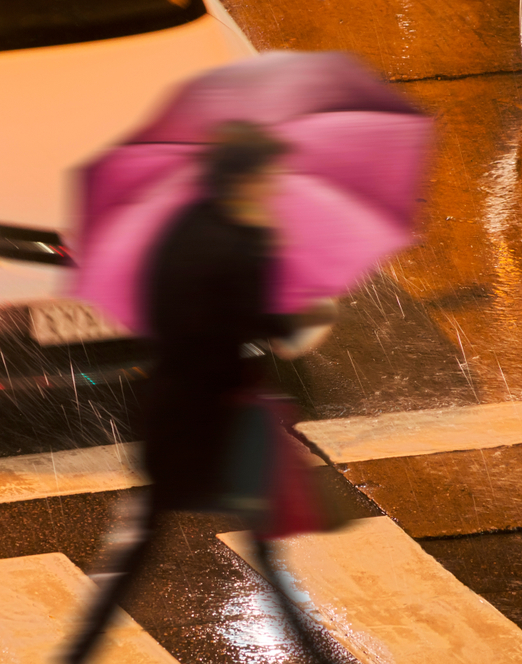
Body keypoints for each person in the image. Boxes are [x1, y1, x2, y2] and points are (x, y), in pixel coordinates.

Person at [60, 121, 337, 663]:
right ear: (247, 178)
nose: (274, 187)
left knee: (143, 545)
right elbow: (277, 331)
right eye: (269, 177)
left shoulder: (181, 227)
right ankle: (315, 655)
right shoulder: (245, 245)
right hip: (221, 423)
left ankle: (77, 652)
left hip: (168, 411)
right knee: (263, 550)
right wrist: (296, 292)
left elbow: (166, 309)